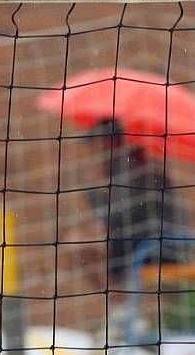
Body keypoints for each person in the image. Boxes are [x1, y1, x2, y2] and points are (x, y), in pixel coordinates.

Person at [68, 120, 183, 287]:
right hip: (133, 242)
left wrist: (94, 191)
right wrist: (96, 190)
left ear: (110, 142)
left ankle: (119, 302)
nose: (93, 151)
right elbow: (107, 218)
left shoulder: (138, 168)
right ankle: (117, 301)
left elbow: (118, 216)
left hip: (160, 245)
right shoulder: (116, 169)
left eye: (96, 144)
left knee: (84, 244)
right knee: (78, 244)